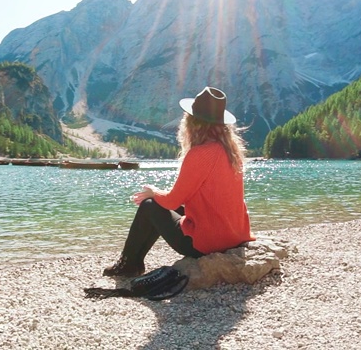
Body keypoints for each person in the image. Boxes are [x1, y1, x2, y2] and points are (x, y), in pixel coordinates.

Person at [103, 86, 255, 277]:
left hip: (208, 243)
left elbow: (172, 202)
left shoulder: (200, 153)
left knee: (150, 205)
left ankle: (128, 265)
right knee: (161, 204)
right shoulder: (231, 152)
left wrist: (154, 192)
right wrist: (162, 195)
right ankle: (133, 263)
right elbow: (201, 195)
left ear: (192, 123)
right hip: (234, 236)